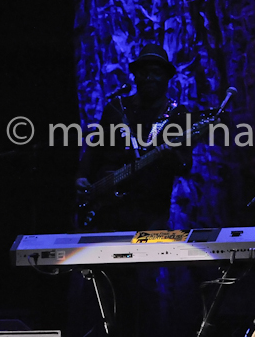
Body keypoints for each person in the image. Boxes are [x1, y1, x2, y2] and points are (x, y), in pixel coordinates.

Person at [71, 43, 195, 337]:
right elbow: (95, 149)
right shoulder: (116, 108)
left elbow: (183, 166)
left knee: (144, 284)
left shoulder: (178, 115)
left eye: (157, 72)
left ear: (167, 78)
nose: (150, 78)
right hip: (109, 210)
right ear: (135, 76)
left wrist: (174, 154)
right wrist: (82, 178)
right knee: (107, 285)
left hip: (151, 213)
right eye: (144, 72)